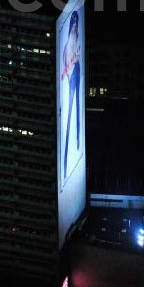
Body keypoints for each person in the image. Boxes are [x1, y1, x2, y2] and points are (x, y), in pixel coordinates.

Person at [61, 11, 81, 174]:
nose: (74, 25)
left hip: (74, 71)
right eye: (73, 23)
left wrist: (71, 65)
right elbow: (68, 57)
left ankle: (78, 142)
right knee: (70, 112)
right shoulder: (71, 38)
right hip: (72, 72)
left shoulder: (74, 36)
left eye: (76, 23)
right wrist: (68, 71)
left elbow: (71, 57)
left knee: (76, 108)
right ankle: (66, 164)